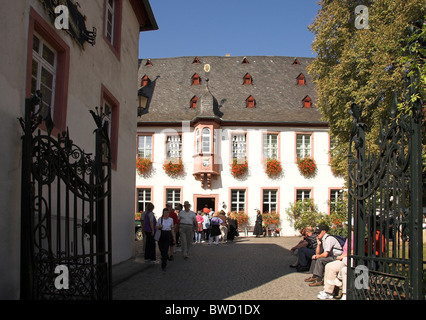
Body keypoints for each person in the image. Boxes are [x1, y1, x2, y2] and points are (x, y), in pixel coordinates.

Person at [318, 236, 353, 300]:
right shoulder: (349, 237)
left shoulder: (358, 237)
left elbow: (356, 251)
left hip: (350, 259)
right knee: (329, 266)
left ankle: (339, 279)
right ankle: (328, 292)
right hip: (343, 260)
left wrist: (344, 255)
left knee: (344, 267)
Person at [157, 207, 175, 272]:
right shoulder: (160, 219)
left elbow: (172, 229)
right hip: (161, 234)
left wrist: (174, 237)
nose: (166, 214)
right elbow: (156, 227)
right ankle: (164, 256)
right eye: (165, 212)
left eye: (167, 212)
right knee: (161, 249)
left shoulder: (171, 220)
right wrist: (159, 226)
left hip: (168, 234)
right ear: (163, 213)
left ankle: (163, 265)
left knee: (165, 250)